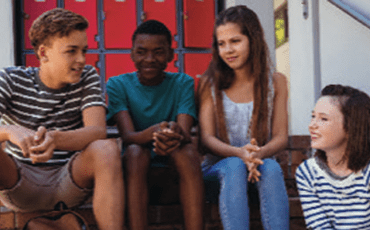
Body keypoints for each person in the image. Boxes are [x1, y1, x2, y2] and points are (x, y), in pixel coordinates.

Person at [0, 8, 124, 230]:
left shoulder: (87, 76)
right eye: (71, 51)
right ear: (43, 53)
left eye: (84, 51)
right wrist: (11, 132)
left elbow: (97, 131)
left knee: (106, 148)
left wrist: (54, 139)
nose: (81, 60)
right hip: (19, 183)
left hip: (68, 182)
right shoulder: (9, 79)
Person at [197, 5, 290, 230]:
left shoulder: (275, 82)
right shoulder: (210, 83)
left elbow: (280, 137)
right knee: (234, 167)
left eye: (235, 41)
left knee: (271, 167)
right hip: (218, 172)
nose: (228, 49)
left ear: (253, 39)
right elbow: (207, 138)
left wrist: (257, 154)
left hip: (260, 171)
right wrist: (239, 154)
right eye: (221, 43)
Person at [106, 20, 204, 230]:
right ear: (132, 54)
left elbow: (185, 133)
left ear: (170, 55)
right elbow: (128, 136)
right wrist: (155, 134)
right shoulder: (117, 84)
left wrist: (172, 132)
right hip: (135, 176)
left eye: (158, 52)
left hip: (174, 176)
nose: (149, 59)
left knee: (185, 151)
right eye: (141, 52)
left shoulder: (183, 82)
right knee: (134, 152)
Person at [296, 84, 370, 230]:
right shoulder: (307, 172)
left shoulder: (367, 172)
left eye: (323, 119)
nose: (312, 125)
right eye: (313, 117)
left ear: (351, 127)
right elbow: (319, 226)